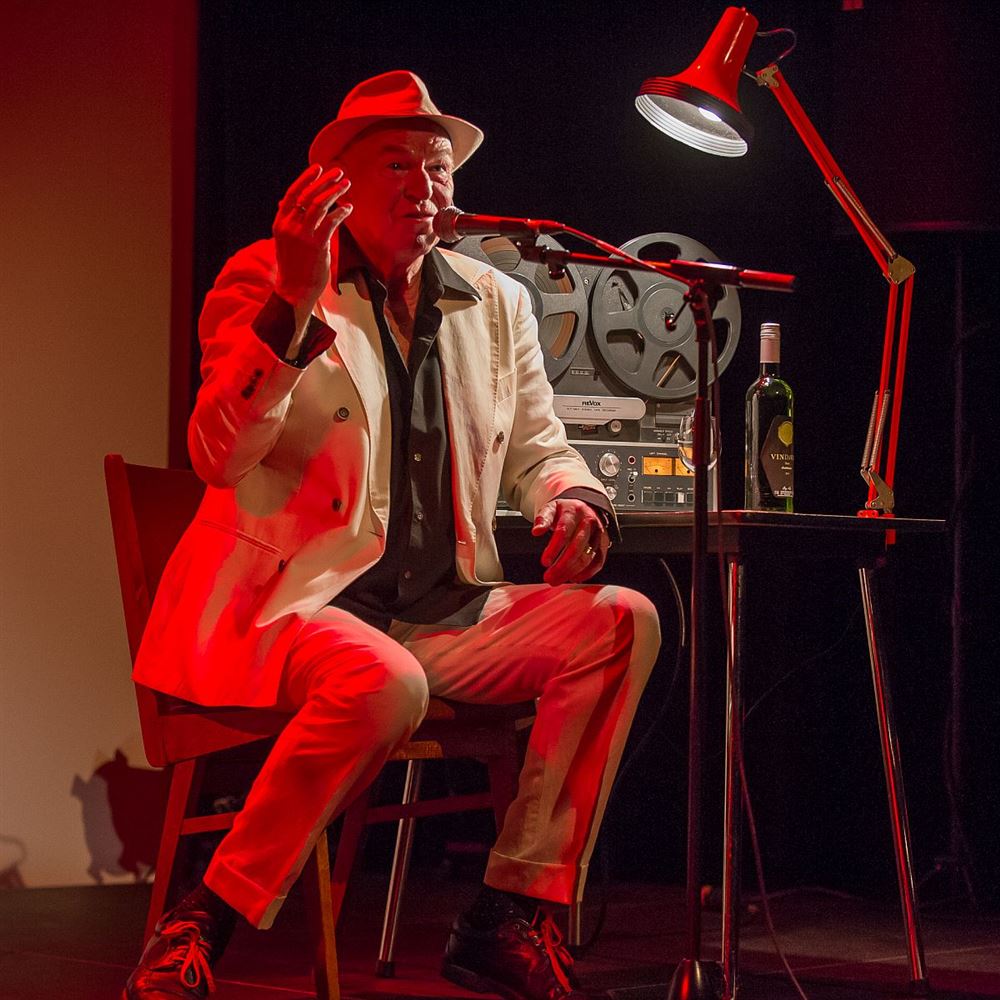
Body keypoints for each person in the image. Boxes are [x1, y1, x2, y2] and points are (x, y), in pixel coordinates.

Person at [124, 70, 660, 1000]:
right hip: (297, 607)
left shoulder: (495, 299)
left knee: (621, 621)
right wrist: (294, 301)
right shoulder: (265, 278)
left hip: (441, 610)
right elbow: (217, 452)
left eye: (438, 166)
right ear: (336, 186)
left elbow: (541, 447)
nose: (424, 184)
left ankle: (508, 912)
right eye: (397, 165)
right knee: (383, 681)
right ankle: (202, 917)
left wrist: (573, 497)